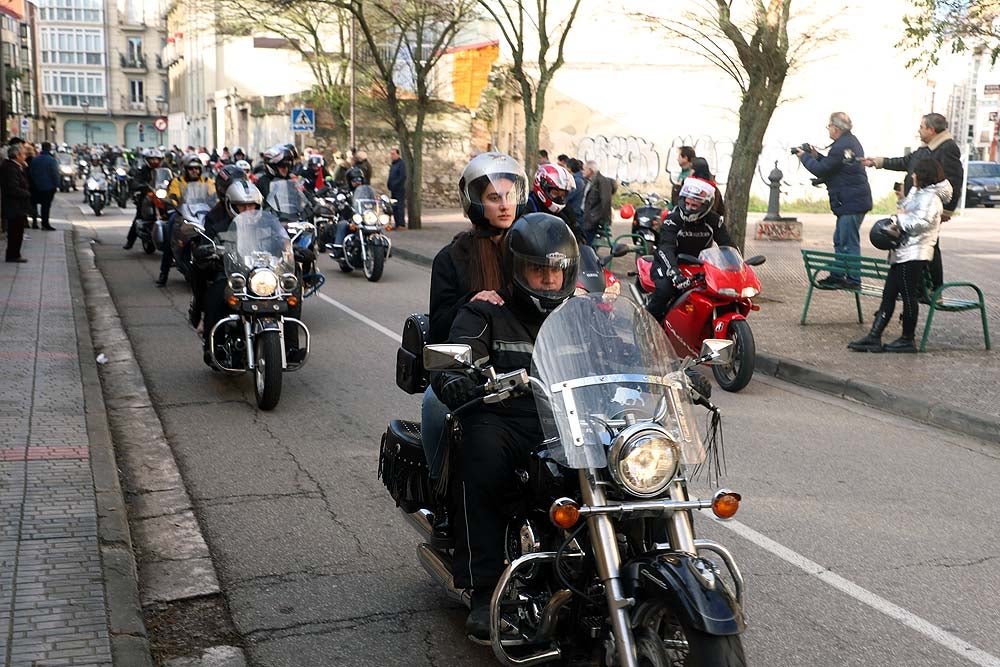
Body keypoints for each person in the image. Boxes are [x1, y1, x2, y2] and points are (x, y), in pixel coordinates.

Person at [431, 212, 579, 640]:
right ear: (517, 269)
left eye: (557, 270)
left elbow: (624, 356)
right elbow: (452, 354)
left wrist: (675, 372)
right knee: (482, 454)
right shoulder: (485, 310)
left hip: (568, 420)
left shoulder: (580, 313)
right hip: (506, 418)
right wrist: (455, 378)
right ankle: (483, 587)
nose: (549, 280)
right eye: (538, 269)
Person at [422, 153, 529, 494]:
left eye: (510, 196)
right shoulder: (452, 258)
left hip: (530, 366)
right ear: (474, 202)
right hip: (476, 372)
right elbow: (438, 328)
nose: (504, 205)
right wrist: (470, 302)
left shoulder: (532, 249)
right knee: (434, 407)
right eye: (494, 197)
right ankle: (441, 490)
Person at [848, 158, 950, 353]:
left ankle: (907, 339)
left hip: (915, 252)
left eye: (915, 173)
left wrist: (898, 219)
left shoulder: (931, 197)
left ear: (923, 175)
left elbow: (921, 223)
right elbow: (909, 212)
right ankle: (874, 336)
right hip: (903, 250)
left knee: (908, 295)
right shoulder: (919, 192)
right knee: (888, 295)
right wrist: (902, 202)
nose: (912, 176)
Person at [862, 112, 962, 293]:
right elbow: (906, 162)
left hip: (929, 207)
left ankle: (935, 289)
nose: (919, 130)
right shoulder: (926, 148)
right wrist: (878, 162)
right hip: (915, 205)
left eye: (922, 127)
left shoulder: (947, 148)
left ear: (931, 130)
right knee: (916, 246)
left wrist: (947, 210)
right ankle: (919, 287)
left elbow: (954, 179)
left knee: (931, 246)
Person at [794, 111, 872, 289]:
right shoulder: (849, 143)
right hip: (852, 201)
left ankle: (853, 279)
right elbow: (832, 166)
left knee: (848, 241)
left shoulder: (840, 146)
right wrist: (815, 155)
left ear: (836, 128)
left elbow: (822, 170)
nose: (828, 129)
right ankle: (838, 274)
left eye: (829, 126)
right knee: (840, 239)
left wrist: (804, 157)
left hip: (850, 202)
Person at [646, 177, 733, 322]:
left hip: (698, 267)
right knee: (665, 290)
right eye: (687, 203)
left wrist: (737, 267)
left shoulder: (714, 220)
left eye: (694, 205)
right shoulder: (672, 219)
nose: (689, 208)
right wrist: (674, 271)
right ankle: (648, 323)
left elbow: (727, 244)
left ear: (706, 205)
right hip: (669, 264)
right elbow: (666, 247)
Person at [156, 153, 214, 286]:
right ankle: (163, 273)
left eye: (197, 168)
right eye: (191, 168)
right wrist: (173, 202)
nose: (195, 171)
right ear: (185, 169)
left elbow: (213, 196)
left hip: (202, 213)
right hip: (182, 213)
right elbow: (173, 196)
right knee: (170, 233)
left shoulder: (207, 181)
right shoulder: (178, 181)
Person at [525, 163, 582, 240]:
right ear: (542, 186)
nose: (559, 198)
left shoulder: (565, 209)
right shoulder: (528, 205)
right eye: (555, 193)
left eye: (563, 195)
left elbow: (576, 231)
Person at [124, 148, 165, 250]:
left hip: (161, 196)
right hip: (146, 197)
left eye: (157, 159)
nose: (155, 161)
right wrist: (140, 185)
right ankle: (130, 240)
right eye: (152, 159)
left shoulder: (164, 170)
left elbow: (171, 179)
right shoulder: (142, 170)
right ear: (147, 160)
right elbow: (135, 181)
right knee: (139, 216)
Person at [1, 143, 32, 263]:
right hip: (14, 206)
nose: (25, 156)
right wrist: (26, 193)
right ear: (17, 155)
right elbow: (13, 188)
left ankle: (15, 253)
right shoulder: (10, 167)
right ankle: (13, 255)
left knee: (18, 231)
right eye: (23, 154)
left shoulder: (17, 166)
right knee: (15, 232)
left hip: (18, 206)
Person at [582, 159, 615, 245]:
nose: (582, 171)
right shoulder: (587, 181)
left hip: (592, 220)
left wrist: (596, 218)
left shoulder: (602, 181)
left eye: (584, 169)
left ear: (590, 170)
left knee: (586, 244)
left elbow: (606, 201)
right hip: (585, 217)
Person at [28, 142, 59, 231]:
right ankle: (45, 224)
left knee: (34, 204)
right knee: (45, 206)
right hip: (48, 187)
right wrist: (56, 185)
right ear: (49, 149)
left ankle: (34, 222)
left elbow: (31, 172)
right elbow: (55, 174)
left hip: (35, 186)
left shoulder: (35, 159)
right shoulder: (51, 160)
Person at [387, 147, 406, 229]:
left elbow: (402, 176)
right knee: (394, 207)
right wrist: (389, 184)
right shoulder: (393, 164)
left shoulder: (401, 164)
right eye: (391, 154)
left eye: (393, 154)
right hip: (393, 189)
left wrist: (395, 184)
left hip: (399, 189)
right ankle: (397, 223)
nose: (392, 156)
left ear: (398, 154)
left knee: (399, 206)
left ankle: (401, 224)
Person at [565, 158, 585, 222]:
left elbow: (566, 197)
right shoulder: (579, 179)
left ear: (569, 168)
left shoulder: (576, 181)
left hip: (575, 215)